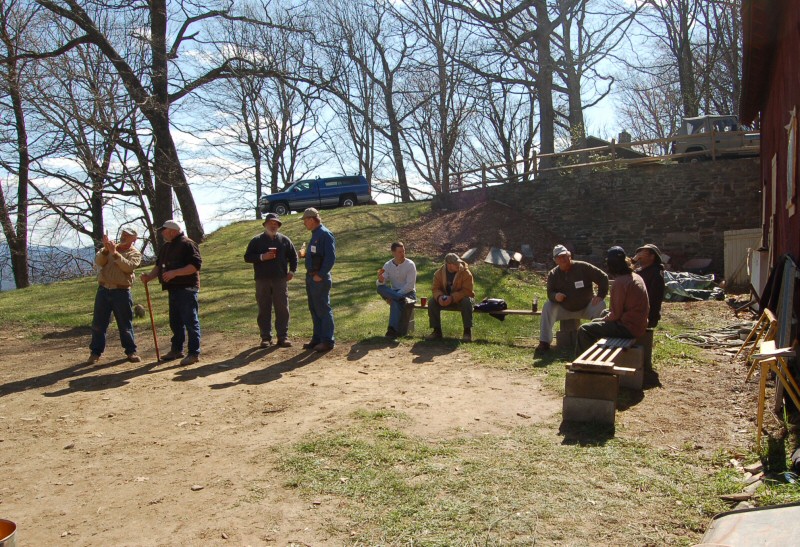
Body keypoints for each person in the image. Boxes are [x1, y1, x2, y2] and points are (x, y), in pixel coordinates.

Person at [140, 220, 203, 366]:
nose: (162, 233)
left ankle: (194, 353)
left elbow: (195, 266)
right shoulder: (166, 247)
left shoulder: (188, 244)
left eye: (164, 230)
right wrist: (149, 277)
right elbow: (158, 266)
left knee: (190, 321)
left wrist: (175, 273)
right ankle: (176, 349)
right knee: (175, 322)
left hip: (187, 288)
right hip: (173, 289)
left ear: (172, 231)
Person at [576, 246, 649, 354]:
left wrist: (601, 321)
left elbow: (616, 314)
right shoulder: (635, 276)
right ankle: (596, 352)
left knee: (584, 329)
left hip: (629, 328)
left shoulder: (620, 282)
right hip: (639, 323)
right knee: (602, 314)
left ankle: (582, 365)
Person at [537, 244, 608, 352]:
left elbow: (603, 277)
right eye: (559, 257)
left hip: (586, 307)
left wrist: (600, 295)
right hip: (564, 309)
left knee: (601, 305)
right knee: (547, 306)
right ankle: (544, 342)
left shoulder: (583, 267)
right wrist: (555, 296)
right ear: (555, 260)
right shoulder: (553, 274)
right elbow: (550, 292)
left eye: (564, 256)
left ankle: (598, 340)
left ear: (569, 256)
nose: (563, 259)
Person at [87, 228, 142, 364]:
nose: (123, 237)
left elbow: (128, 267)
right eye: (123, 235)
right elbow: (99, 262)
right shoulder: (110, 247)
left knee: (125, 324)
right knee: (98, 324)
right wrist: (106, 250)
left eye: (127, 236)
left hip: (121, 292)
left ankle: (131, 351)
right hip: (104, 289)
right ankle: (95, 353)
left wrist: (115, 254)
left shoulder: (134, 253)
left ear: (134, 239)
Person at [244, 213, 298, 348]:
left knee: (282, 308)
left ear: (278, 226)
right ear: (265, 224)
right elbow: (247, 257)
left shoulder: (284, 240)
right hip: (262, 280)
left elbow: (294, 257)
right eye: (271, 223)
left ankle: (283, 337)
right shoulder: (256, 240)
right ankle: (266, 338)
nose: (273, 226)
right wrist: (262, 257)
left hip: (280, 279)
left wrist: (291, 271)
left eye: (276, 224)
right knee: (264, 309)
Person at [301, 208, 336, 352]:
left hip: (319, 279)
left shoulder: (325, 234)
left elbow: (330, 258)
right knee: (314, 309)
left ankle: (327, 341)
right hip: (311, 277)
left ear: (311, 219)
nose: (304, 223)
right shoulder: (315, 234)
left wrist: (320, 274)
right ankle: (317, 338)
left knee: (322, 308)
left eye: (305, 220)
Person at [426, 253, 475, 342]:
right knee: (432, 302)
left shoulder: (466, 273)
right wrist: (440, 297)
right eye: (455, 263)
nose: (458, 265)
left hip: (461, 299)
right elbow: (435, 289)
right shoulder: (438, 273)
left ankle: (467, 332)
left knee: (466, 302)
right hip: (445, 299)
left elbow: (467, 291)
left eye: (458, 262)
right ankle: (436, 331)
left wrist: (452, 298)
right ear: (448, 264)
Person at [376, 242, 417, 338]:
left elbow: (410, 286)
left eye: (403, 251)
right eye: (399, 252)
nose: (402, 254)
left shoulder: (410, 264)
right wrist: (380, 280)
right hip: (396, 294)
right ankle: (393, 330)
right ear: (393, 253)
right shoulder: (388, 265)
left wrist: (394, 296)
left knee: (395, 301)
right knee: (379, 288)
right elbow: (380, 284)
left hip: (409, 294)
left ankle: (392, 330)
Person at [634, 243, 666, 328]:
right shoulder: (638, 271)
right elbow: (622, 273)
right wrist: (633, 260)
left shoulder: (656, 274)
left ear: (652, 257)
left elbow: (653, 300)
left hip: (646, 317)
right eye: (638, 253)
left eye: (643, 253)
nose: (639, 255)